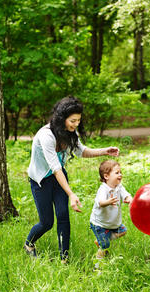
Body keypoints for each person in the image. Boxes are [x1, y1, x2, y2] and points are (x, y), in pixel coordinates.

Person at [24, 96, 119, 263]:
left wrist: (105, 151)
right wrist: (71, 194)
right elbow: (55, 168)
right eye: (72, 120)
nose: (76, 124)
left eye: (78, 120)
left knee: (63, 217)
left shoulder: (70, 132)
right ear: (62, 118)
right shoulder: (46, 136)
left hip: (59, 179)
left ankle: (64, 259)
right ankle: (29, 244)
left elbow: (82, 151)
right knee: (46, 222)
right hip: (41, 181)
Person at [89, 160, 132, 259]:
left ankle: (103, 239)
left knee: (123, 231)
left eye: (120, 172)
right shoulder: (103, 189)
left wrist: (130, 200)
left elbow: (126, 195)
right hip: (99, 224)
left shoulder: (119, 187)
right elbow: (100, 202)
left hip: (112, 223)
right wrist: (108, 202)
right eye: (117, 173)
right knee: (105, 246)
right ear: (106, 176)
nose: (120, 174)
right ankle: (98, 265)